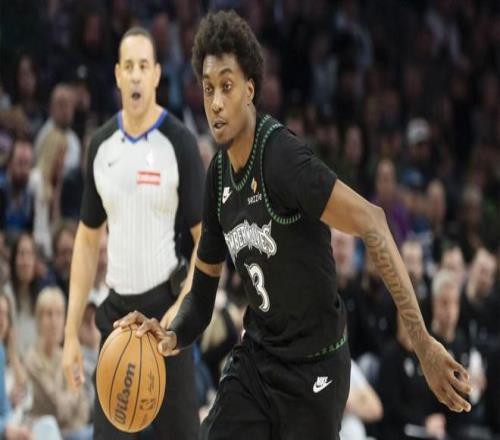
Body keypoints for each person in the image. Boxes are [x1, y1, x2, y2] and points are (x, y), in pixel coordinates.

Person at [118, 11, 471, 440]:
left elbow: (373, 222)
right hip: (258, 361)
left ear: (250, 90)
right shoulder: (217, 177)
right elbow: (201, 298)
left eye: (227, 86)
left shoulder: (281, 158)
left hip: (315, 369)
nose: (215, 102)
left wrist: (422, 342)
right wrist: (169, 334)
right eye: (208, 88)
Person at [62, 26, 204, 440]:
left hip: (167, 319)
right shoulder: (101, 145)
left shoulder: (179, 143)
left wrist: (184, 308)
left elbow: (206, 243)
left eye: (144, 65)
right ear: (118, 75)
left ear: (157, 74)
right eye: (129, 66)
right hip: (118, 321)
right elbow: (87, 241)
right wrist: (70, 333)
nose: (137, 75)